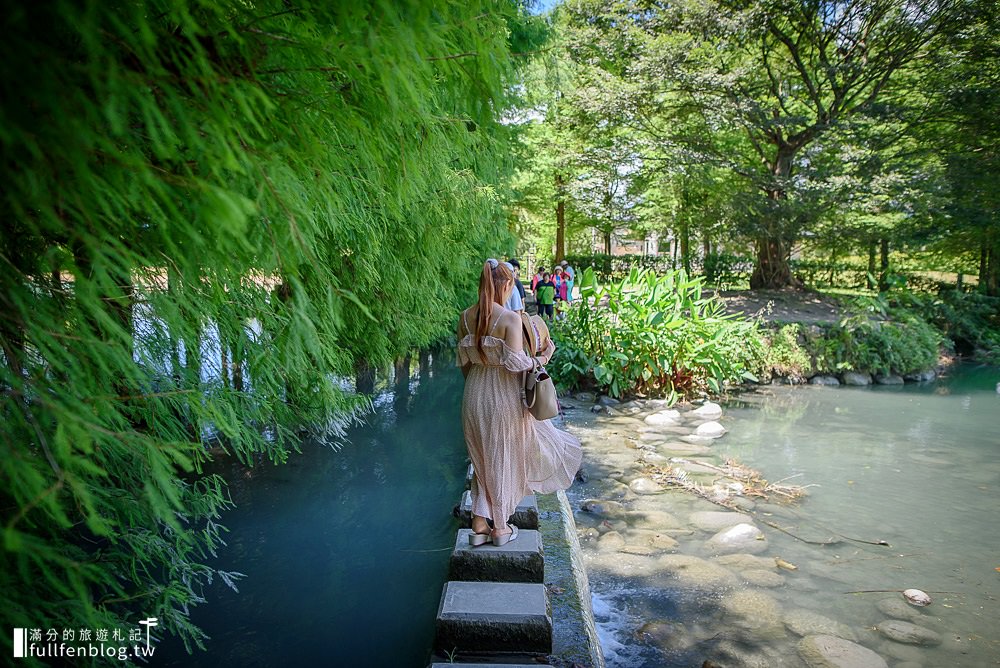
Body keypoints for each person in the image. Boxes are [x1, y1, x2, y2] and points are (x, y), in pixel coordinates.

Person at [457, 259, 581, 547]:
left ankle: (478, 525)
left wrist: (480, 379)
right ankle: (500, 528)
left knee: (482, 459)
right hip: (503, 395)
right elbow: (518, 366)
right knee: (503, 458)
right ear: (508, 286)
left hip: (474, 392)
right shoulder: (510, 319)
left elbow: (464, 365)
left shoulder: (464, 317)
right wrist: (545, 356)